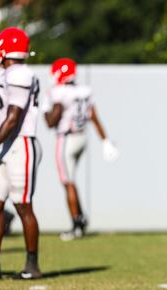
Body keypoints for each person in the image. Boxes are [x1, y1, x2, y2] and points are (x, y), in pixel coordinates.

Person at [44, 58, 119, 240]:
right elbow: (93, 116)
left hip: (66, 138)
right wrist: (105, 140)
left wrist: (51, 109)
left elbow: (51, 122)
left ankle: (77, 223)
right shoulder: (84, 91)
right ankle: (80, 216)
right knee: (71, 180)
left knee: (67, 182)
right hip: (82, 138)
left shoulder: (58, 93)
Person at [0, 27, 43, 279]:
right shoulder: (6, 74)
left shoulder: (21, 74)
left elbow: (13, 118)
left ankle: (32, 265)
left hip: (21, 144)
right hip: (5, 144)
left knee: (23, 206)